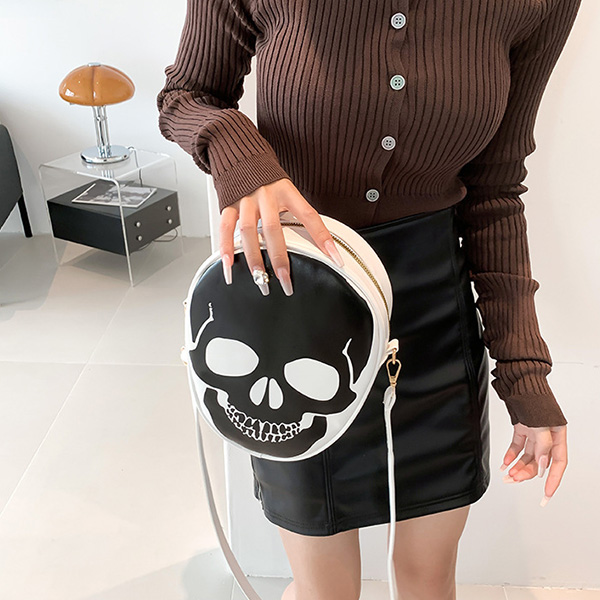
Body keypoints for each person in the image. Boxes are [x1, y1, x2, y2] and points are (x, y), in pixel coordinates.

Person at [156, 1, 581, 598]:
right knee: (324, 590)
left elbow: (495, 189)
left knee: (428, 579)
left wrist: (524, 374)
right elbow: (186, 95)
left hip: (432, 320)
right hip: (293, 317)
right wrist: (239, 155)